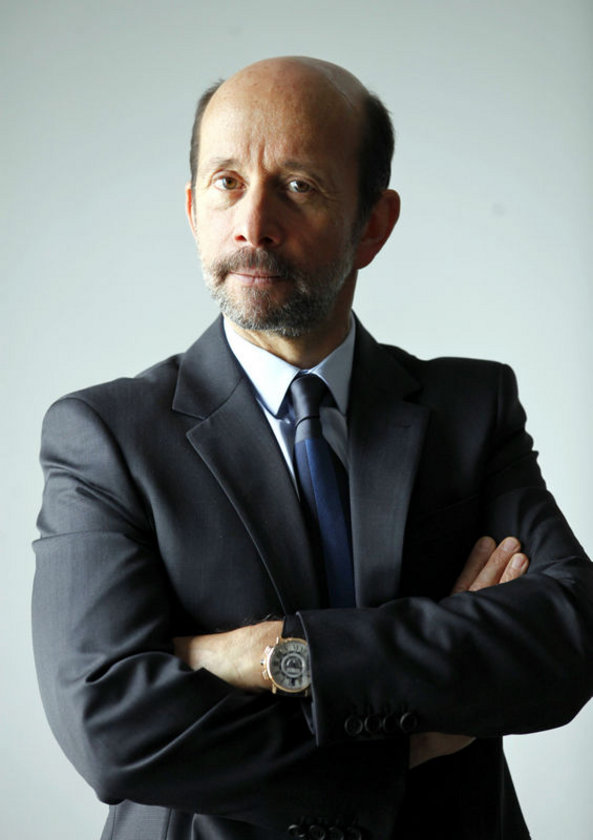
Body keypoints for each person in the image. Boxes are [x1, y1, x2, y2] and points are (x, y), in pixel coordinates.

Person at [32, 56, 593, 840]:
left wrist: (273, 651)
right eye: (226, 182)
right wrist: (406, 742)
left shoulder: (471, 408)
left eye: (297, 185)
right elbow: (110, 728)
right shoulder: (105, 436)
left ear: (373, 224)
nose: (252, 224)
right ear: (192, 208)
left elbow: (566, 637)